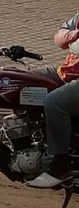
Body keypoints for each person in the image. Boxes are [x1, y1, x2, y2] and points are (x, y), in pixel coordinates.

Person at [27, 13, 79, 187]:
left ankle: (60, 165)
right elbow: (59, 36)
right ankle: (34, 145)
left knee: (55, 102)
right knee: (23, 82)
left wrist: (73, 40)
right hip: (66, 72)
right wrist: (72, 35)